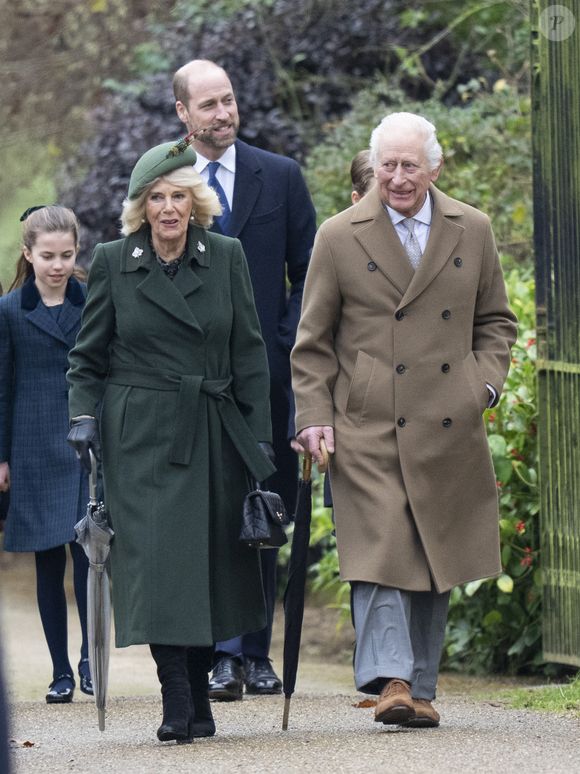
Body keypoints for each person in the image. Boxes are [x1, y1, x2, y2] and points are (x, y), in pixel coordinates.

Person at [291, 112, 517, 729]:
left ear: (434, 167)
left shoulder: (472, 228)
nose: (396, 177)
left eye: (408, 165)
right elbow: (312, 341)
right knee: (382, 543)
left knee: (433, 548)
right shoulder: (340, 235)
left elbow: (496, 322)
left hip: (448, 415)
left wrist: (482, 387)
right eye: (386, 164)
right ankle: (392, 680)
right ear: (373, 166)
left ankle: (419, 687)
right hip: (366, 421)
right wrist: (314, 416)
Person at [66, 141, 276, 743]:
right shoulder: (112, 259)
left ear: (195, 202)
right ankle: (177, 696)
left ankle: (201, 696)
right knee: (158, 568)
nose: (167, 208)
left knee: (207, 565)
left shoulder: (227, 256)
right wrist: (82, 418)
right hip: (141, 437)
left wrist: (256, 441)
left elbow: (250, 353)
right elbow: (87, 357)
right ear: (141, 208)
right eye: (156, 198)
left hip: (212, 428)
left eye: (177, 196)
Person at [172, 58, 316, 699]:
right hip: (193, 387)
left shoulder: (279, 177)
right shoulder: (168, 184)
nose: (223, 113)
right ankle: (216, 653)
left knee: (265, 511)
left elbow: (309, 272)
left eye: (228, 100)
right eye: (208, 104)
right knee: (208, 516)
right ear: (183, 114)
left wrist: (282, 346)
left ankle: (254, 654)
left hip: (270, 385)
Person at [0, 205, 92, 704]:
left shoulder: (95, 300)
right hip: (32, 446)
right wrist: (1, 458)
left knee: (88, 557)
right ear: (28, 254)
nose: (58, 265)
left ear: (77, 252)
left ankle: (88, 659)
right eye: (47, 256)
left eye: (67, 255)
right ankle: (60, 670)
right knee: (46, 563)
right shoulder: (9, 310)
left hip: (84, 444)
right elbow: (0, 387)